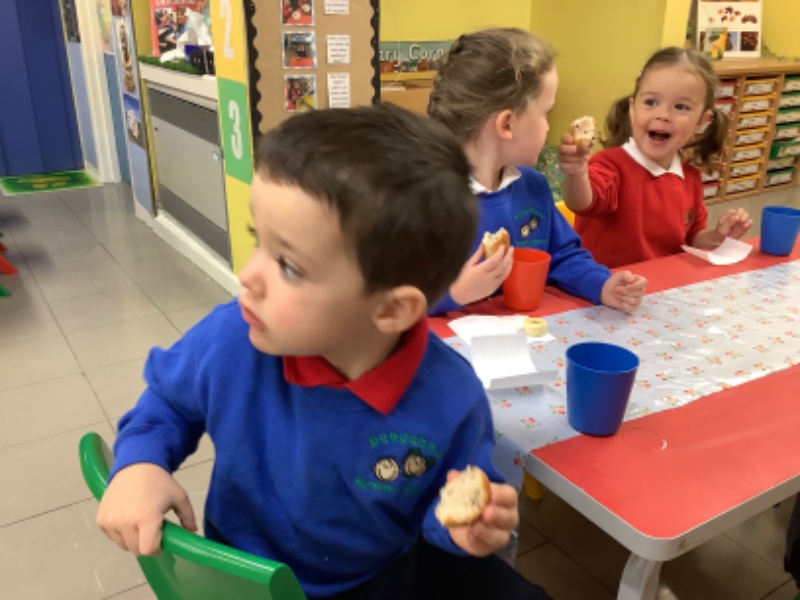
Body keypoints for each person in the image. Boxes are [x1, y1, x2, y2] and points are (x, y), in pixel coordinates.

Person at [95, 104, 548, 600]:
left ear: (391, 309)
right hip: (243, 580)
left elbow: (445, 508)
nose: (247, 275)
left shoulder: (452, 399)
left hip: (377, 581)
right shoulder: (231, 339)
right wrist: (139, 463)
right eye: (258, 240)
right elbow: (169, 401)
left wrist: (467, 527)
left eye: (289, 266)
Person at [426, 28, 647, 316]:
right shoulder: (422, 200)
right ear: (507, 124)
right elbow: (386, 300)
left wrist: (602, 284)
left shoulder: (532, 185)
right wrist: (454, 293)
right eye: (546, 114)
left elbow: (563, 255)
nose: (548, 126)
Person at [559, 47, 753, 269]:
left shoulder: (690, 178)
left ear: (701, 120)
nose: (663, 115)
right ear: (632, 109)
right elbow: (582, 203)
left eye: (680, 107)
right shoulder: (609, 164)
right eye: (651, 102)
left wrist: (717, 235)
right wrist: (576, 174)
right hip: (605, 283)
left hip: (663, 283)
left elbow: (690, 238)